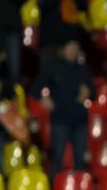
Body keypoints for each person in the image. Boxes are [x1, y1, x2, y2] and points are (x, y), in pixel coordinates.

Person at [34, 41, 92, 177]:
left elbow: (93, 91)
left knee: (80, 161)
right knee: (57, 160)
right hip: (60, 119)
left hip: (79, 120)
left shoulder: (83, 70)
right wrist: (44, 99)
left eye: (75, 49)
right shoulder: (53, 68)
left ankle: (79, 187)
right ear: (63, 50)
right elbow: (36, 88)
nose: (73, 52)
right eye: (70, 48)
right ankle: (55, 187)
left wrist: (88, 92)